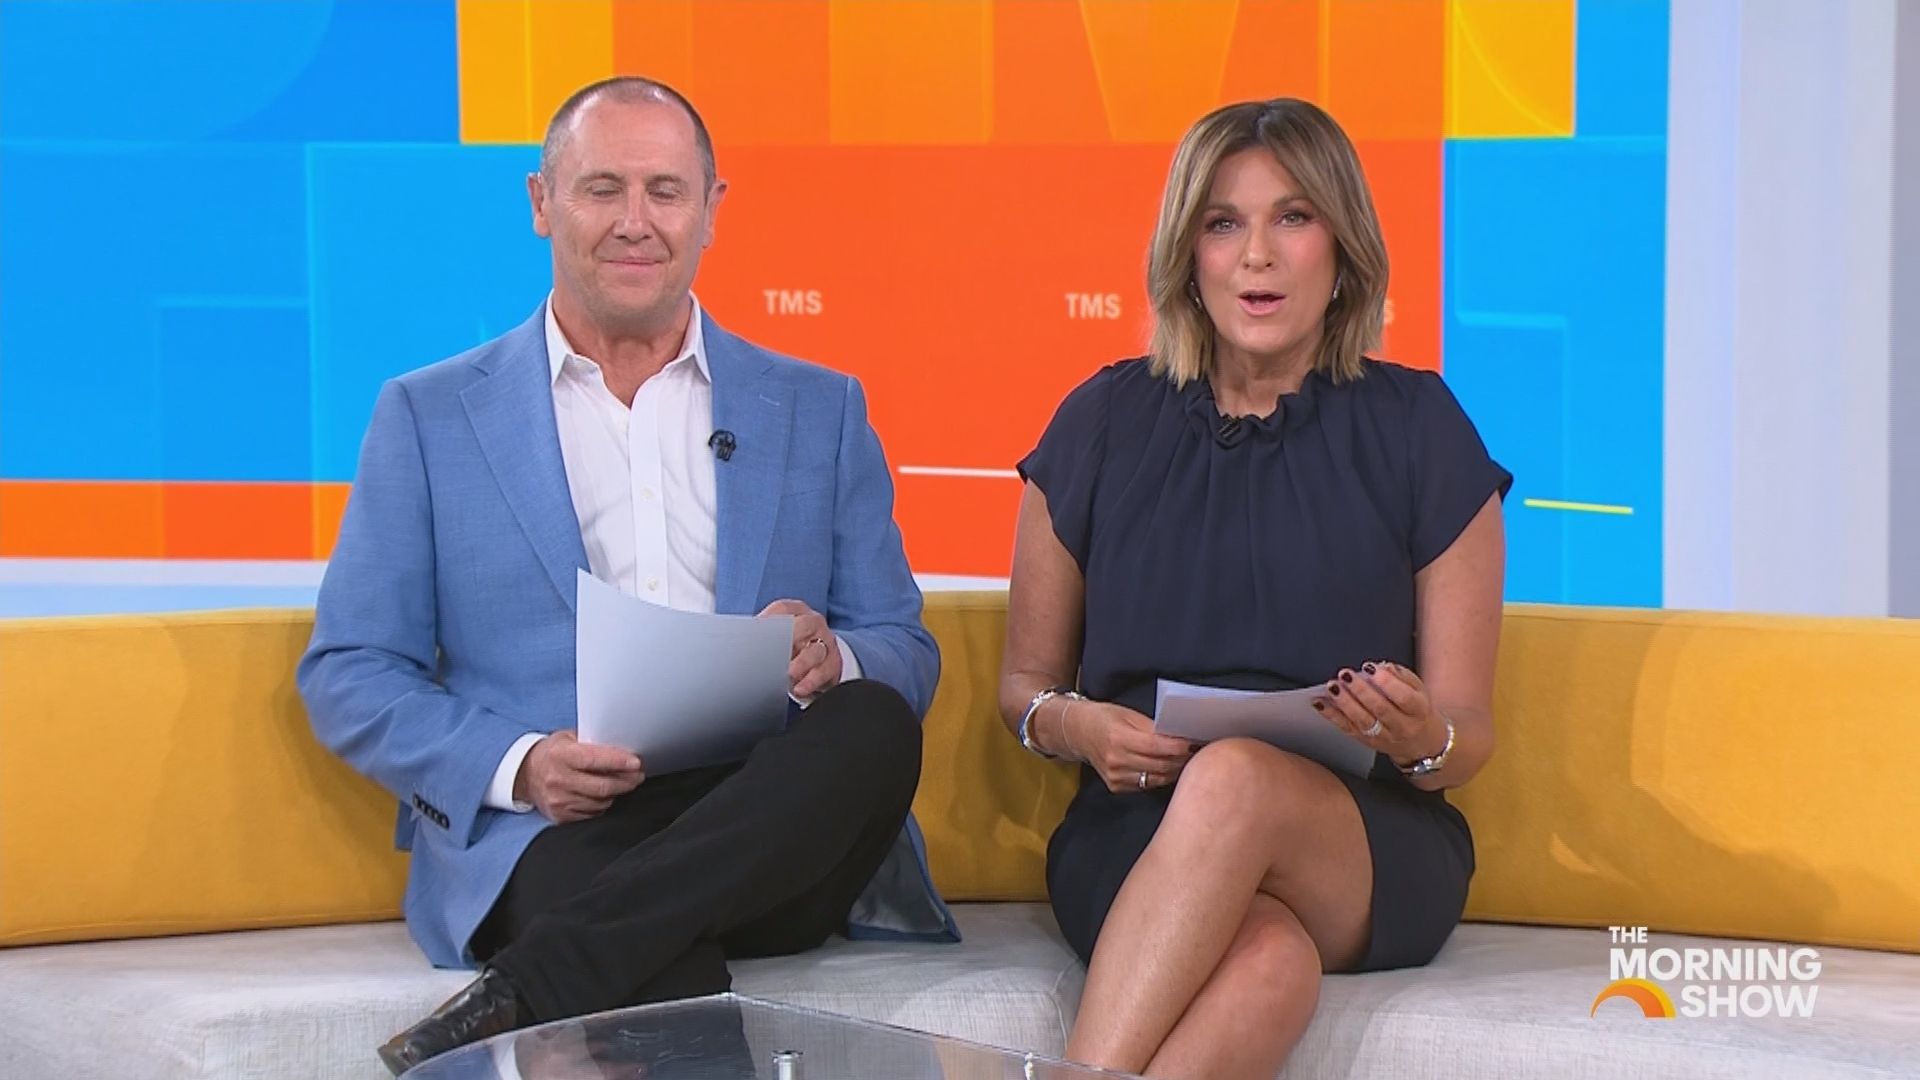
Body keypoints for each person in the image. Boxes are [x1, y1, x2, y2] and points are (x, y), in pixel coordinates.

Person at [298, 76, 954, 1077]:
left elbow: (904, 647)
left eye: (665, 191)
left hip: (769, 826)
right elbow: (349, 668)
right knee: (644, 943)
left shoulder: (817, 408)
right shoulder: (430, 416)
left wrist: (835, 659)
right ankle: (562, 966)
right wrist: (522, 763)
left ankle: (521, 989)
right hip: (560, 837)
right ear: (542, 203)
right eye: (602, 189)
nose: (635, 222)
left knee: (872, 721)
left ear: (712, 211)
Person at [999, 98, 1511, 1079]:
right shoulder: (1100, 423)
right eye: (1224, 222)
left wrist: (1418, 736)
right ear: (1187, 253)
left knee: (1234, 777)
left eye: (1293, 217)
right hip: (1137, 831)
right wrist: (1082, 728)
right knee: (1269, 965)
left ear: (1343, 246)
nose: (1257, 256)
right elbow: (1024, 688)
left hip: (1359, 837)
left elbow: (1466, 737)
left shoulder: (1421, 430)